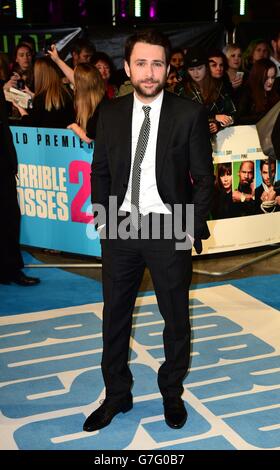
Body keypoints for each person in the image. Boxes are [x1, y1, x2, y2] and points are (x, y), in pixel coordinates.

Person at [83, 29, 214, 433]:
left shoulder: (188, 114)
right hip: (121, 226)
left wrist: (189, 229)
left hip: (168, 225)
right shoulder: (110, 113)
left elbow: (204, 180)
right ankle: (117, 395)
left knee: (175, 318)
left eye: (158, 63)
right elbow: (99, 170)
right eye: (141, 62)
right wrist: (106, 221)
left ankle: (171, 393)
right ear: (127, 67)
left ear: (168, 68)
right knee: (114, 318)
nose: (149, 71)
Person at [0, 85, 40, 286]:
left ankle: (10, 270)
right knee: (8, 218)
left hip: (4, 166)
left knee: (9, 218)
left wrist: (12, 162)